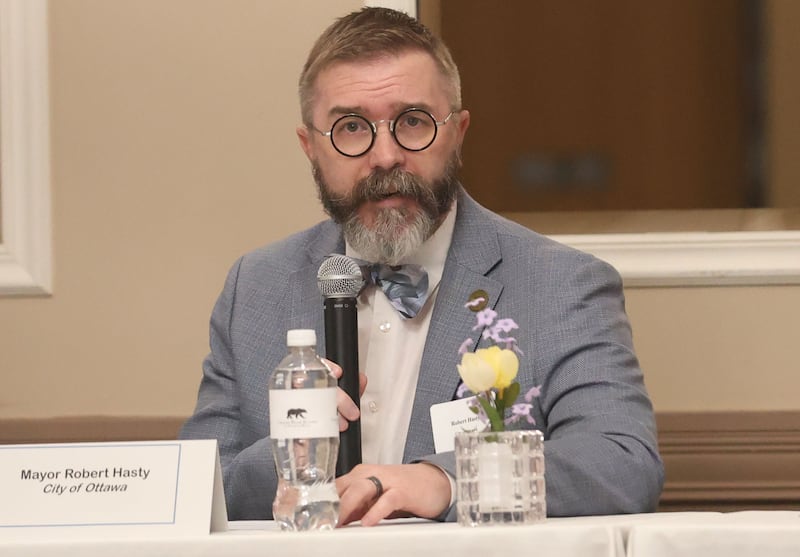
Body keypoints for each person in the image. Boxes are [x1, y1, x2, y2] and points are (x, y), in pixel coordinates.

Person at [180, 7, 664, 525]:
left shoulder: (559, 284)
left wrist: (445, 480)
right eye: (350, 127)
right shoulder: (255, 287)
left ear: (457, 131)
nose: (385, 156)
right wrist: (288, 457)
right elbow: (196, 486)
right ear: (310, 148)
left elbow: (622, 462)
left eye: (412, 122)